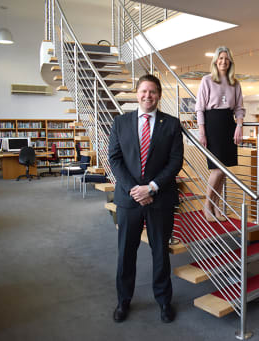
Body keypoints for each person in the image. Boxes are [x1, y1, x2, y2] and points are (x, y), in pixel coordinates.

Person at [108, 74, 184, 323]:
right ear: (136, 93)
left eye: (152, 91)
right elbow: (115, 160)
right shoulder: (120, 122)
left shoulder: (171, 124)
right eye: (143, 91)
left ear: (159, 95)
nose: (147, 96)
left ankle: (163, 301)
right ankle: (123, 301)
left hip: (159, 199)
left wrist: (151, 188)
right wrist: (136, 190)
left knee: (160, 253)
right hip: (129, 200)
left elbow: (175, 161)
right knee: (125, 253)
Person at [195, 46, 245, 222]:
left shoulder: (235, 83)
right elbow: (199, 108)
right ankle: (207, 205)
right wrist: (202, 132)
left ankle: (216, 206)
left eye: (226, 58)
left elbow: (239, 108)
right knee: (217, 169)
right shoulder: (207, 80)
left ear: (230, 61)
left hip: (228, 124)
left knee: (224, 172)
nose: (223, 61)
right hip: (212, 125)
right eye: (220, 58)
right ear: (215, 61)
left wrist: (239, 126)